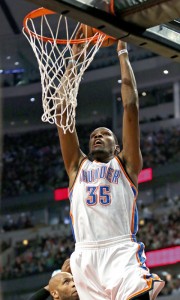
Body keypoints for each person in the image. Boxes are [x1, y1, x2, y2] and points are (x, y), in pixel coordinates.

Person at [56, 27, 164, 299]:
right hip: (85, 254)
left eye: (104, 134)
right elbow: (62, 111)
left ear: (117, 146)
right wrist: (74, 61)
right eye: (93, 135)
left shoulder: (126, 165)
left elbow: (130, 106)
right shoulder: (76, 167)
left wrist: (123, 51)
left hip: (120, 251)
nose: (96, 137)